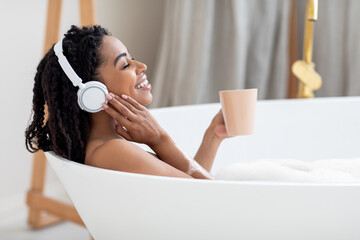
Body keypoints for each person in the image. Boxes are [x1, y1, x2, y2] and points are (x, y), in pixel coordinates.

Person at [25, 25, 228, 180]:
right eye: (125, 64)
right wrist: (160, 140)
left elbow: (188, 180)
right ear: (92, 92)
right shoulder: (111, 152)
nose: (142, 66)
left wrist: (213, 135)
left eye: (133, 58)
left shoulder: (108, 146)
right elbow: (211, 198)